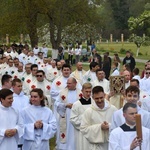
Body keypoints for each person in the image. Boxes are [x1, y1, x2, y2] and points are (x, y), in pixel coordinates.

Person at [55, 77, 82, 150]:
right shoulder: (62, 92)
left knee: (74, 133)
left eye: (69, 83)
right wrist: (65, 105)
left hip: (76, 117)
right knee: (66, 131)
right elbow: (56, 103)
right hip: (65, 116)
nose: (67, 85)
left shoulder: (81, 93)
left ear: (75, 84)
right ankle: (64, 148)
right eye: (67, 83)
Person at [70, 83, 92, 150]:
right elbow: (73, 119)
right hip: (81, 132)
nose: (88, 94)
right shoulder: (76, 104)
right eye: (86, 91)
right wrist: (84, 119)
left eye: (90, 92)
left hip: (92, 131)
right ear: (82, 91)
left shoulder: (94, 103)